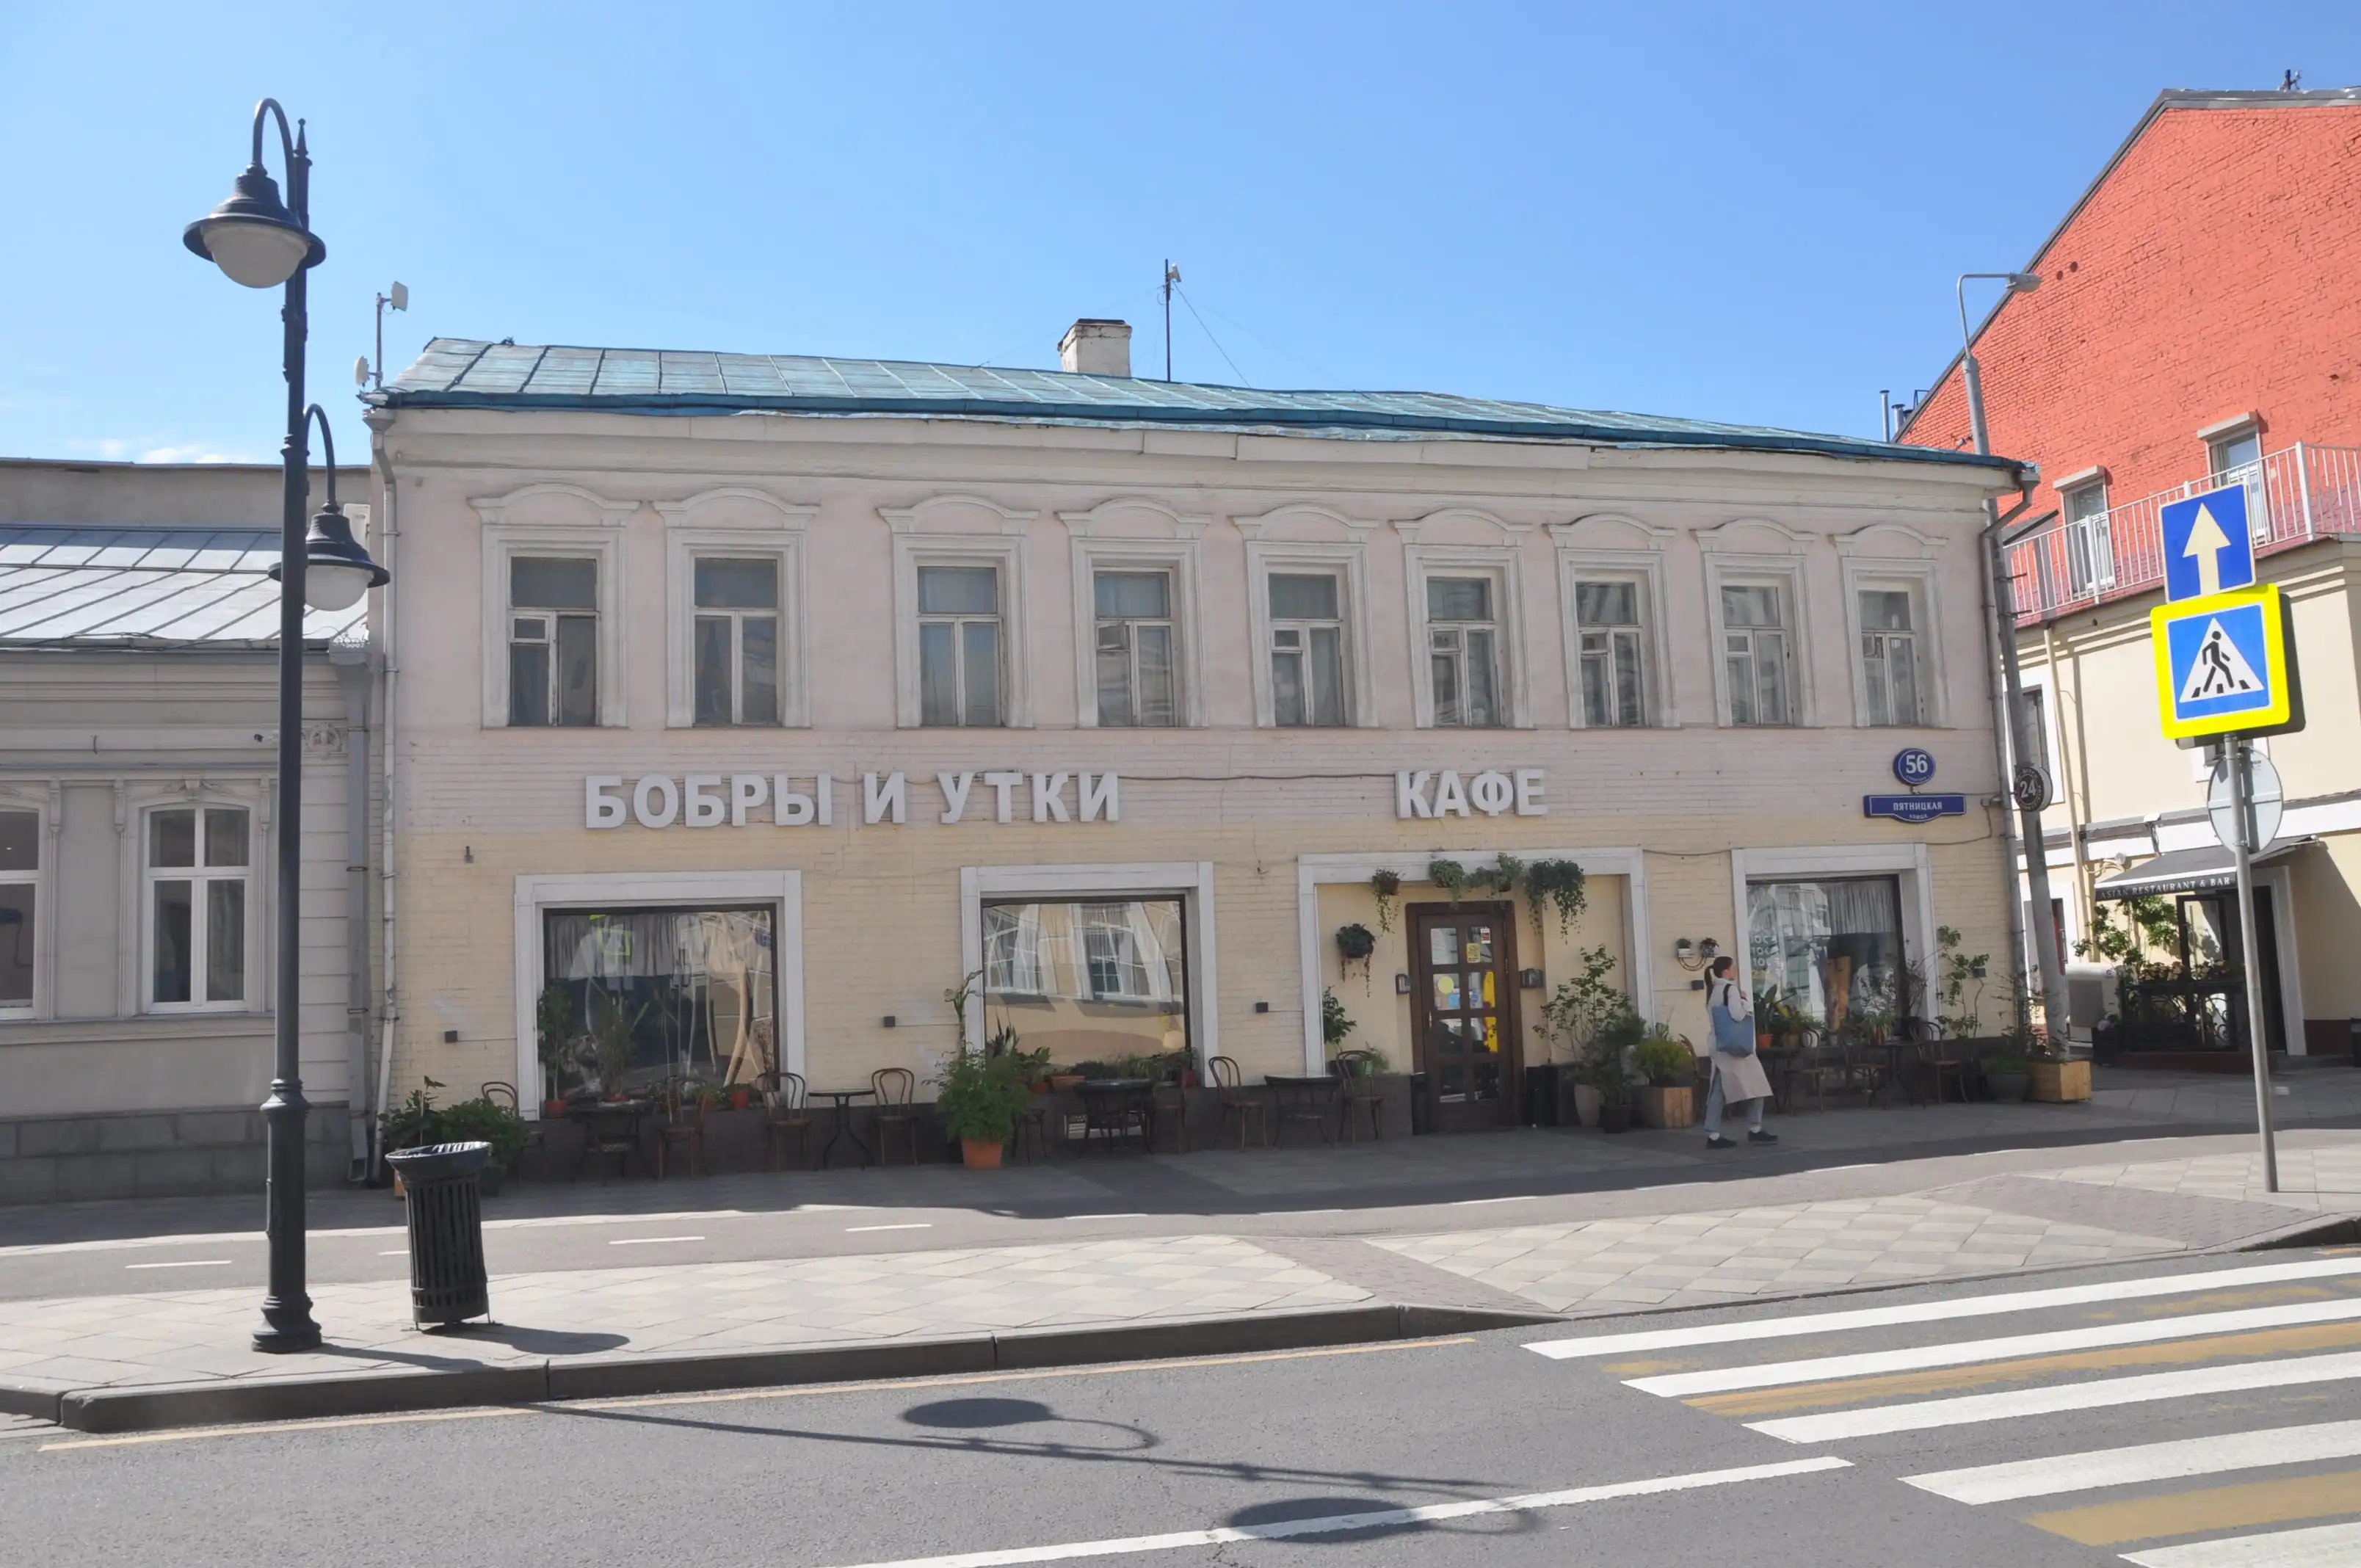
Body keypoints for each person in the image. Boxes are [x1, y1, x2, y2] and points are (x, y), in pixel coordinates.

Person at [1704, 957, 1777, 1150]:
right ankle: (1755, 1128)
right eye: (1733, 967)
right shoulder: (1731, 989)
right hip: (1738, 1048)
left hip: (1720, 1046)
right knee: (1757, 1085)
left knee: (1719, 1090)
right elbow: (1737, 1015)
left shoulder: (1713, 991)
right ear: (1726, 971)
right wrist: (1744, 1002)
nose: (1735, 970)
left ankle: (1713, 1133)